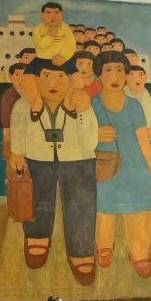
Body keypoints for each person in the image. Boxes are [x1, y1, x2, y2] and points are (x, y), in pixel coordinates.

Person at [9, 59, 99, 284]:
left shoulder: (81, 103)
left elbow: (91, 143)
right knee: (38, 198)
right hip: (37, 158)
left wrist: (84, 111)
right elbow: (18, 131)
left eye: (60, 77)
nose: (53, 83)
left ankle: (81, 249)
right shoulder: (23, 105)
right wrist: (17, 154)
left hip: (79, 160)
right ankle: (37, 235)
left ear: (72, 80)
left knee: (81, 203)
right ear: (33, 81)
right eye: (46, 76)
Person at [91, 51, 151, 276]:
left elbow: (142, 136)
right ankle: (104, 246)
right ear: (99, 75)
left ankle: (139, 250)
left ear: (127, 74)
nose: (114, 76)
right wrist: (95, 135)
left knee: (141, 201)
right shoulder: (91, 105)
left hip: (134, 162)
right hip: (104, 164)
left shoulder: (134, 105)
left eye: (120, 70)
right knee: (103, 206)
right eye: (108, 70)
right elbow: (79, 136)